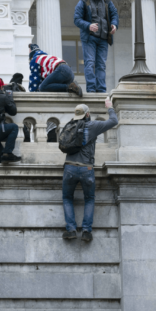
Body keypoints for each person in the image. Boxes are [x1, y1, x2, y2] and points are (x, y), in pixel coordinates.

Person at [62, 98, 118, 242]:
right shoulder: (92, 126)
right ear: (87, 114)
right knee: (89, 199)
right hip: (86, 168)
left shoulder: (70, 125)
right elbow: (113, 121)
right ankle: (86, 231)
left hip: (69, 167)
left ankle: (71, 230)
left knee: (67, 198)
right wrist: (110, 107)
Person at [73, 0, 119, 93]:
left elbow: (114, 14)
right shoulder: (83, 2)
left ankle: (102, 90)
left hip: (103, 38)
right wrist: (89, 26)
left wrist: (114, 24)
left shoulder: (107, 0)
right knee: (90, 63)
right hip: (89, 38)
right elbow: (76, 19)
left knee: (101, 65)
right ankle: (91, 89)